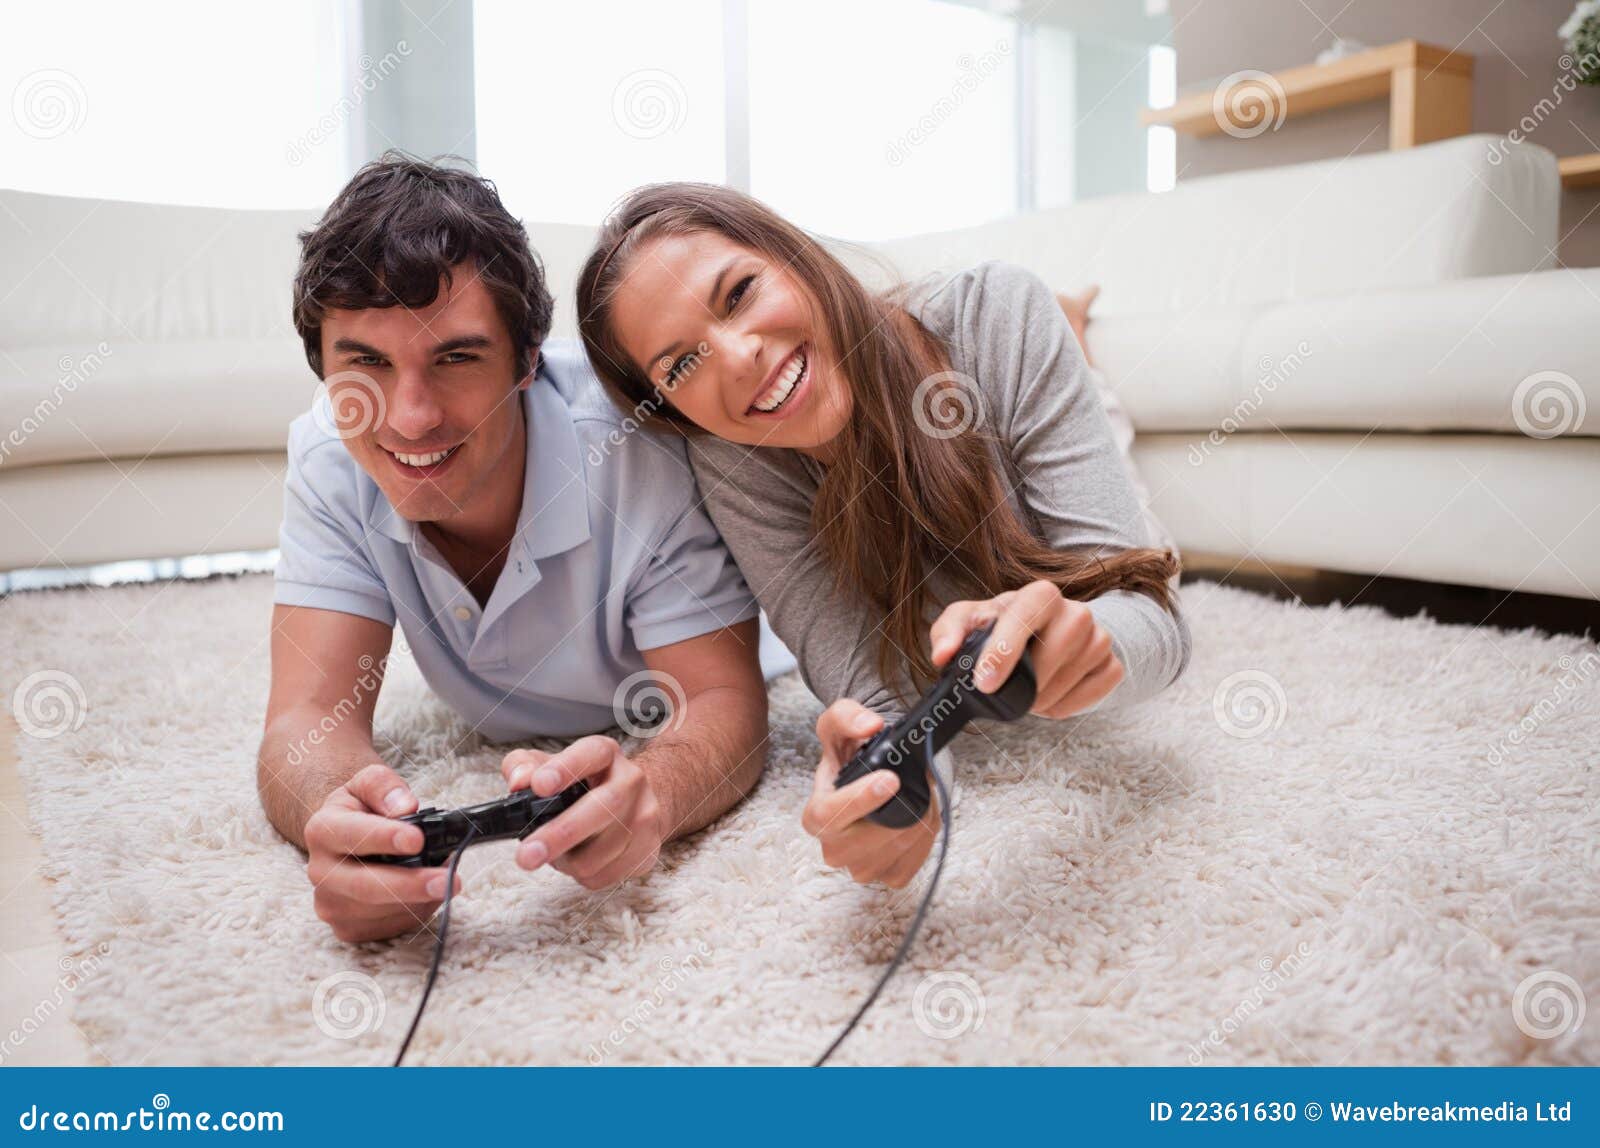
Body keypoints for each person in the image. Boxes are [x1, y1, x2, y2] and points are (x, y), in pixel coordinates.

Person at [577, 183, 1189, 891]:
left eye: (740, 292)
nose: (739, 356)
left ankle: (1072, 325)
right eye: (680, 364)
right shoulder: (731, 458)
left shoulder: (997, 316)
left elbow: (1156, 618)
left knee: (1105, 420)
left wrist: (1088, 638)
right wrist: (898, 778)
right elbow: (873, 697)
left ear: (797, 255)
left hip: (1019, 447)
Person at [259, 157, 769, 943]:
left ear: (528, 358)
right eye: (366, 363)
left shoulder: (636, 451)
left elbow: (722, 704)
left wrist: (653, 796)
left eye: (456, 358)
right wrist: (334, 812)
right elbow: (304, 717)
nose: (411, 417)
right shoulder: (331, 452)